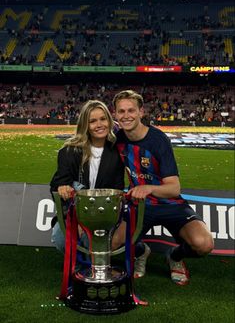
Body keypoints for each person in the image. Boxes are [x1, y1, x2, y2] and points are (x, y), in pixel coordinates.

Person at [112, 89, 214, 285]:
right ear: (115, 114)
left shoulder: (158, 140)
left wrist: (149, 188)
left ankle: (174, 256)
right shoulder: (118, 140)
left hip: (170, 203)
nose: (126, 116)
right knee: (112, 244)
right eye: (121, 111)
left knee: (204, 244)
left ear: (141, 112)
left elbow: (174, 188)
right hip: (140, 205)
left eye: (131, 110)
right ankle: (141, 252)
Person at [50, 99, 124, 253]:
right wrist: (76, 219)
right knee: (61, 240)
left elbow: (118, 188)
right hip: (75, 211)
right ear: (85, 125)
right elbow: (58, 184)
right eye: (92, 121)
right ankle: (81, 263)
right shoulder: (69, 151)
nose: (99, 125)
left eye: (103, 119)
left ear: (109, 121)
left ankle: (139, 249)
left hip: (105, 210)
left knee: (97, 240)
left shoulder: (118, 151)